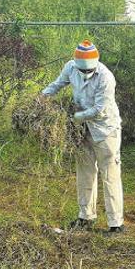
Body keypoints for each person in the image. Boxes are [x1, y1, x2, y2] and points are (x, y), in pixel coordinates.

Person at [42, 40, 124, 232]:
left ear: (96, 64)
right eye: (82, 70)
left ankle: (116, 224)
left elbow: (98, 109)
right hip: (83, 130)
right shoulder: (71, 67)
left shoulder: (106, 77)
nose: (85, 73)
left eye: (89, 70)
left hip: (105, 130)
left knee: (110, 175)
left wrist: (75, 117)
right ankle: (86, 217)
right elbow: (57, 84)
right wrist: (41, 98)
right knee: (85, 173)